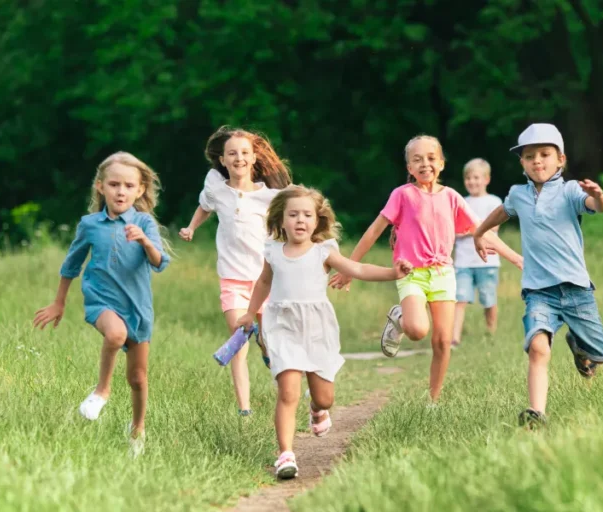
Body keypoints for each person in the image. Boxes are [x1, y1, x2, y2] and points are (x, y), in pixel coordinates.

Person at [330, 135, 522, 403]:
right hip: (412, 274)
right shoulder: (402, 195)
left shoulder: (452, 197)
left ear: (441, 164)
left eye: (431, 158)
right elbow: (374, 231)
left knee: (443, 342)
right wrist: (349, 267)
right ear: (409, 167)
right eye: (417, 160)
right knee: (418, 331)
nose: (425, 164)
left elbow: (483, 231)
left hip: (443, 273)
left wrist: (518, 259)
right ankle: (401, 318)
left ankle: (433, 400)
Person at [237, 185, 411, 479]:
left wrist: (392, 272)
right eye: (293, 215)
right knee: (288, 391)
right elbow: (264, 282)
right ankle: (285, 454)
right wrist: (249, 312)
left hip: (317, 328)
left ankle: (318, 410)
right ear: (281, 220)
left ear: (317, 221)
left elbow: (358, 269)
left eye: (307, 215)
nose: (300, 220)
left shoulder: (324, 251)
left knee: (325, 397)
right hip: (281, 326)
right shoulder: (273, 251)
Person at [472, 123, 603, 427]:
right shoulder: (518, 195)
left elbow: (597, 207)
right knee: (538, 348)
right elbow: (503, 212)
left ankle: (580, 348)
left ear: (560, 159)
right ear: (522, 163)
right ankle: (537, 414)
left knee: (599, 354)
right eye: (530, 156)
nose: (537, 160)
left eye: (545, 154)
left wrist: (598, 196)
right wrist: (480, 232)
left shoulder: (570, 190)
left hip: (576, 290)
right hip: (539, 291)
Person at [33, 151, 171, 456]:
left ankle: (137, 428)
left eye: (128, 185)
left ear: (140, 190)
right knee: (115, 334)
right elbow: (72, 264)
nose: (120, 191)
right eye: (114, 184)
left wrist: (146, 242)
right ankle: (101, 391)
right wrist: (59, 303)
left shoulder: (144, 223)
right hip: (101, 300)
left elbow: (160, 262)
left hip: (137, 307)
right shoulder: (90, 225)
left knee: (137, 379)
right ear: (100, 187)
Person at [179, 126, 292, 416]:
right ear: (223, 160)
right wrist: (191, 227)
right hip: (232, 279)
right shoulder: (216, 188)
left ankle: (270, 356)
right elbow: (204, 207)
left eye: (244, 153)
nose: (238, 158)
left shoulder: (270, 196)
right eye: (232, 153)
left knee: (268, 339)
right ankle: (245, 410)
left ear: (254, 158)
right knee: (238, 336)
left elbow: (291, 222)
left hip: (264, 281)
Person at [453, 158, 504, 345]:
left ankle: (491, 333)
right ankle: (454, 338)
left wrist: (470, 230)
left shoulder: (494, 202)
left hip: (487, 261)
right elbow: (455, 231)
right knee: (460, 298)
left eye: (476, 177)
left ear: (486, 179)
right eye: (468, 178)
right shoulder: (460, 202)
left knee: (488, 299)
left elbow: (494, 229)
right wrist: (475, 229)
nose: (471, 182)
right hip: (463, 262)